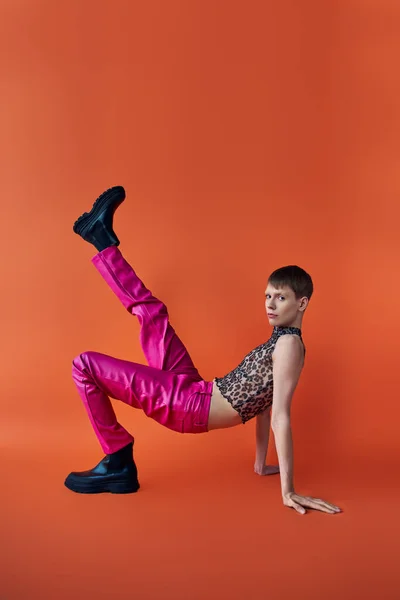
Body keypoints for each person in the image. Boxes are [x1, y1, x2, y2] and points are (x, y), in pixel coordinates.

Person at [64, 186, 342, 516]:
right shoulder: (281, 340)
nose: (270, 303)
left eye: (280, 297)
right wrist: (259, 464)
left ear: (302, 303)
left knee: (84, 365)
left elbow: (280, 415)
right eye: (268, 295)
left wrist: (289, 491)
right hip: (195, 388)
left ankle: (118, 460)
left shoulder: (289, 346)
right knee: (152, 313)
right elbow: (265, 406)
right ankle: (100, 237)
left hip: (187, 406)